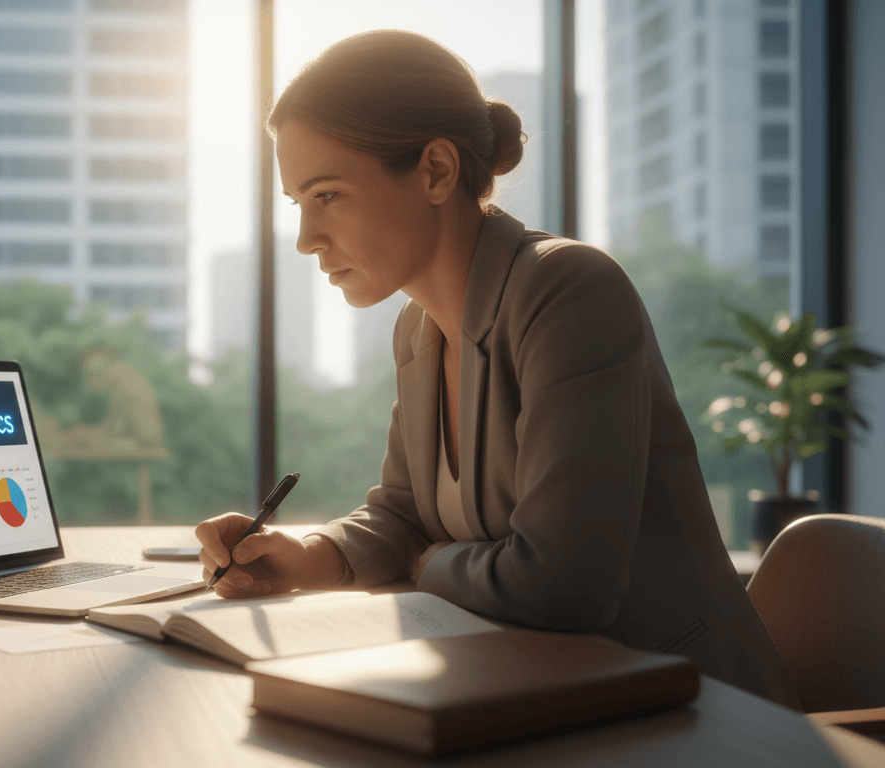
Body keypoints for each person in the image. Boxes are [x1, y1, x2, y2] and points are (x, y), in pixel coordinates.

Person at [194, 29, 800, 708]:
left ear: (435, 171)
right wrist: (306, 558)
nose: (306, 238)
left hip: (691, 712)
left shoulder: (571, 291)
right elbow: (405, 513)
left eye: (327, 195)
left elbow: (561, 586)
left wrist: (426, 565)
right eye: (297, 204)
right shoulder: (418, 330)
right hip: (539, 693)